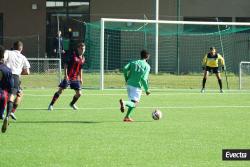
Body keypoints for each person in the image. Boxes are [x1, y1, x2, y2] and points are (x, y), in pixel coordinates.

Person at [48, 42, 85, 111]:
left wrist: (81, 78)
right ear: (78, 49)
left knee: (79, 93)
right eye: (81, 48)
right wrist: (66, 75)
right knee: (60, 90)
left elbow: (80, 69)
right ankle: (51, 105)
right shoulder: (73, 55)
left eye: (84, 49)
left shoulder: (83, 58)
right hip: (69, 76)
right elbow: (66, 65)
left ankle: (72, 104)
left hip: (75, 78)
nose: (83, 50)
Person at [119, 50, 151, 122]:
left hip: (129, 84)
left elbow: (124, 68)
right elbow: (143, 79)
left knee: (133, 102)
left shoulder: (133, 62)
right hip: (136, 86)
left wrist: (126, 78)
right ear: (148, 57)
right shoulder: (147, 66)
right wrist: (147, 90)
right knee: (135, 104)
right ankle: (124, 103)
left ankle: (127, 117)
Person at [4, 41, 30, 120]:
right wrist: (19, 72)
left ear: (13, 47)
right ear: (21, 48)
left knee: (6, 93)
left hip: (5, 75)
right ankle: (9, 114)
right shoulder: (23, 57)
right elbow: (27, 72)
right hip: (15, 77)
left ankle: (6, 112)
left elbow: (3, 59)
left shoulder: (8, 52)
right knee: (13, 95)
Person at [0, 45, 15, 133]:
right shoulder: (8, 70)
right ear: (2, 56)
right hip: (2, 96)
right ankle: (7, 116)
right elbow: (10, 88)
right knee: (11, 95)